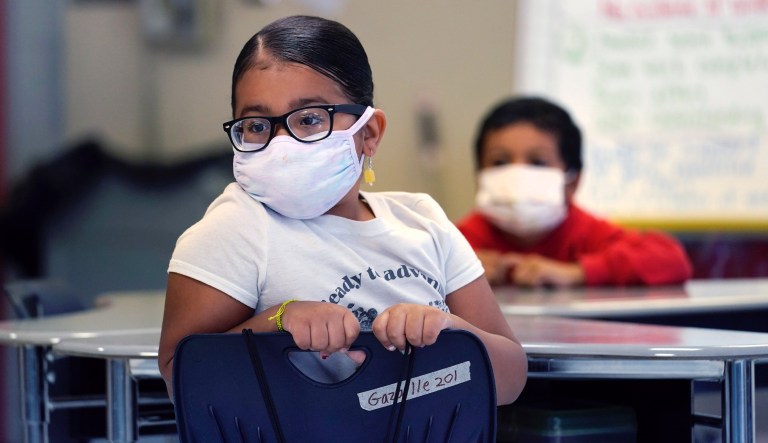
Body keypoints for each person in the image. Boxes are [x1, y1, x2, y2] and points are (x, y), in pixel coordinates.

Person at [158, 15, 527, 405]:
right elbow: (180, 379)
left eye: (310, 119)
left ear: (368, 134)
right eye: (257, 125)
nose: (282, 143)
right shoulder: (234, 229)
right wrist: (277, 321)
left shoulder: (424, 220)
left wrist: (450, 330)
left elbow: (511, 377)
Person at [457, 96, 693, 287]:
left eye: (537, 162)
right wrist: (459, 275)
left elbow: (671, 260)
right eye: (500, 162)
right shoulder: (459, 242)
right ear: (479, 176)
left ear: (572, 181)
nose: (517, 174)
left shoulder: (585, 232)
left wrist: (576, 272)